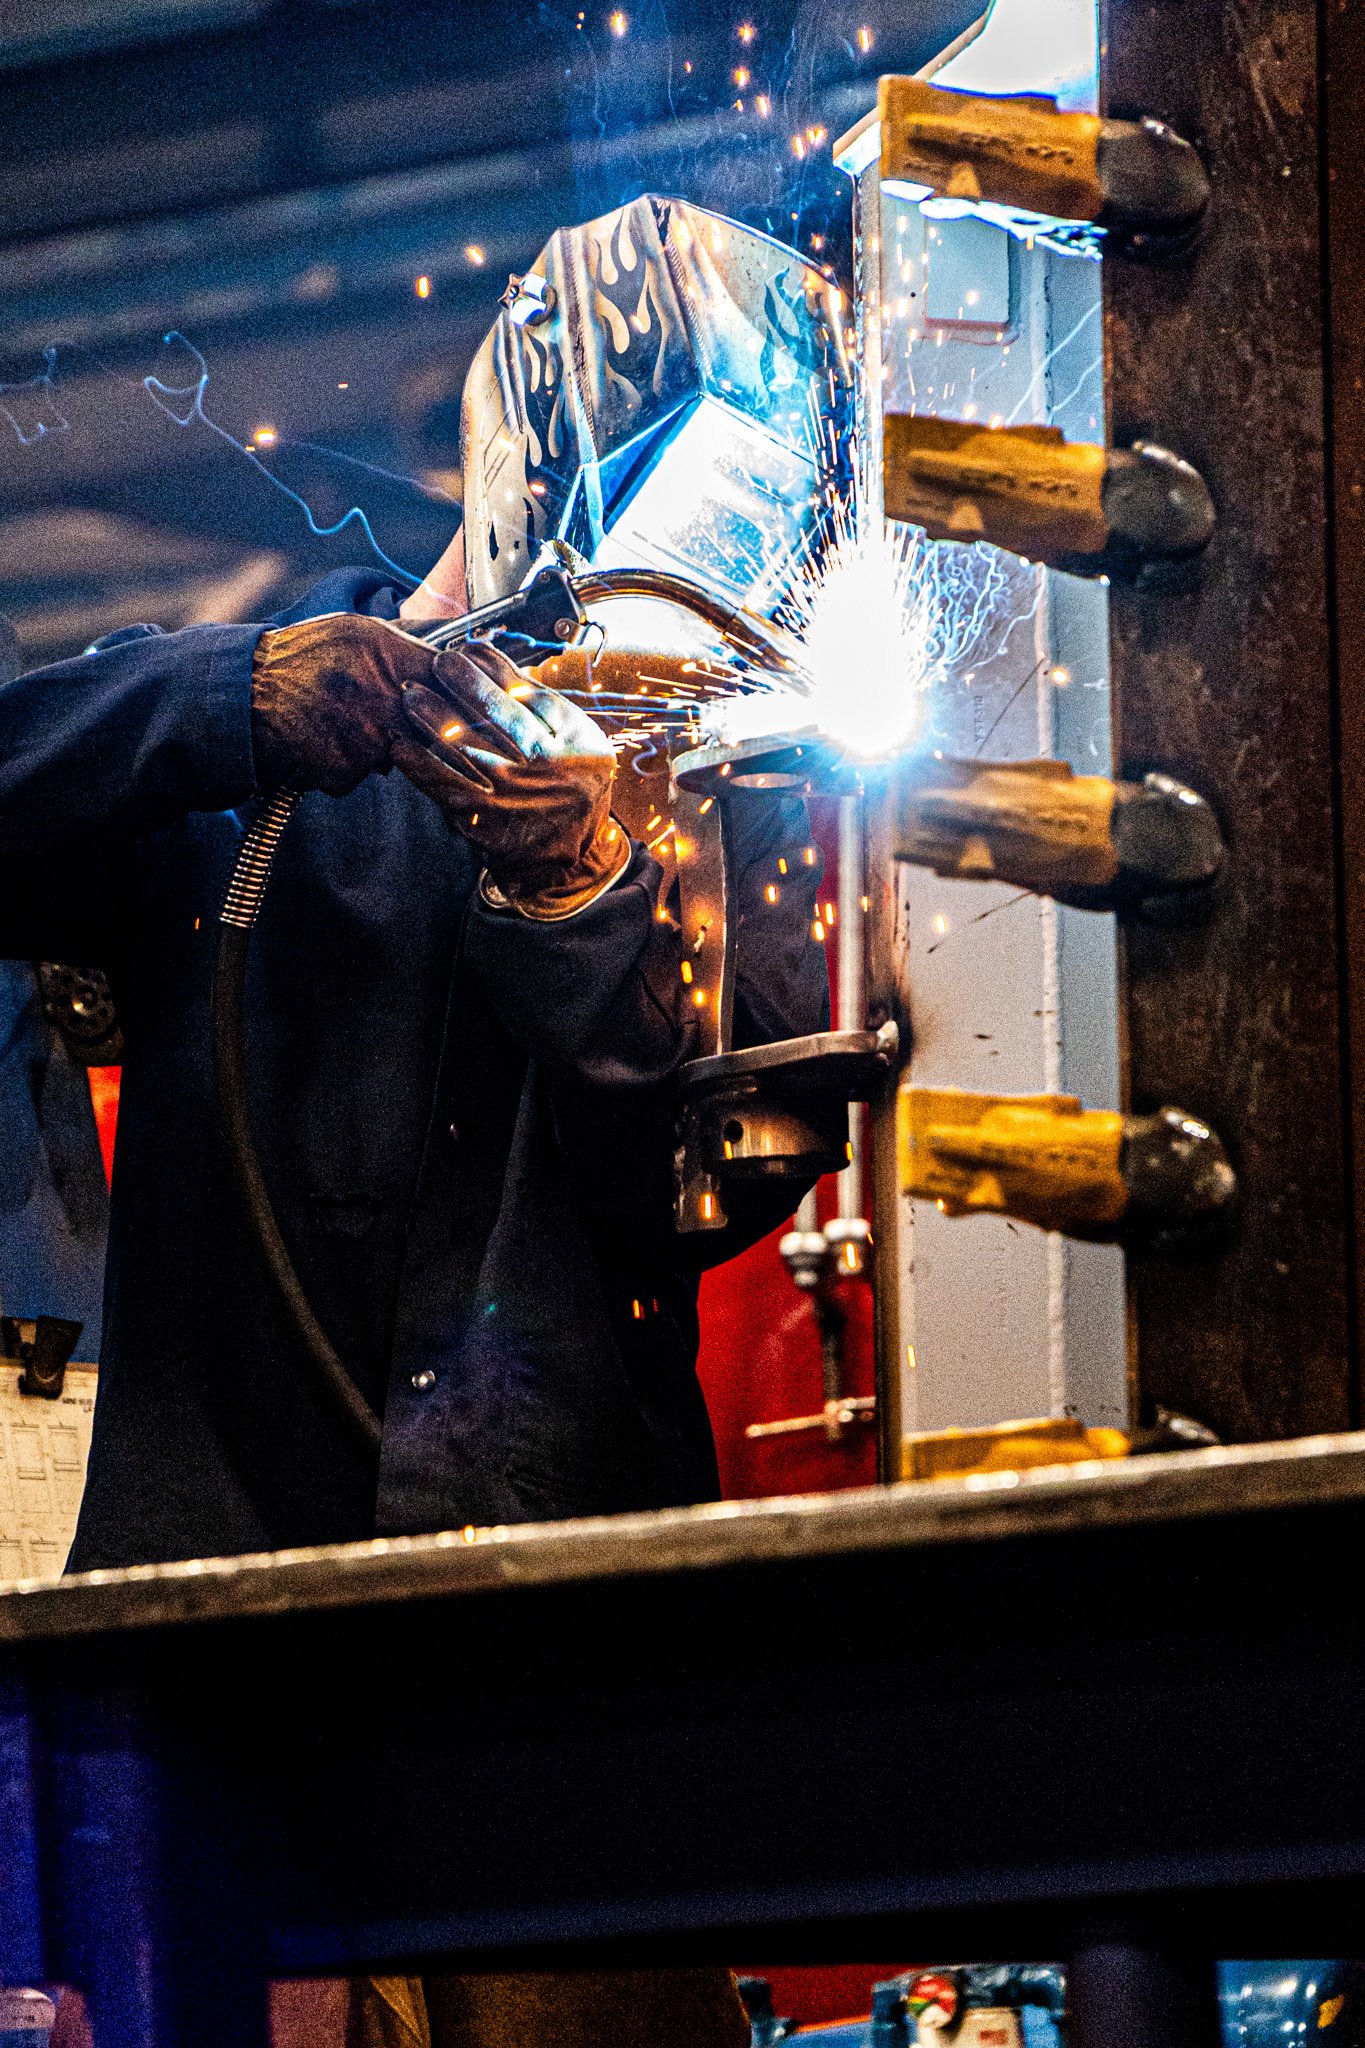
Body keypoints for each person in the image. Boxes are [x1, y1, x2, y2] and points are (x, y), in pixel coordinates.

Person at [0, 520, 827, 2048]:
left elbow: (700, 1197)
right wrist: (225, 702)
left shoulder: (737, 773)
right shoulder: (248, 761)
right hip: (223, 1686)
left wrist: (577, 899)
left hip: (562, 1687)